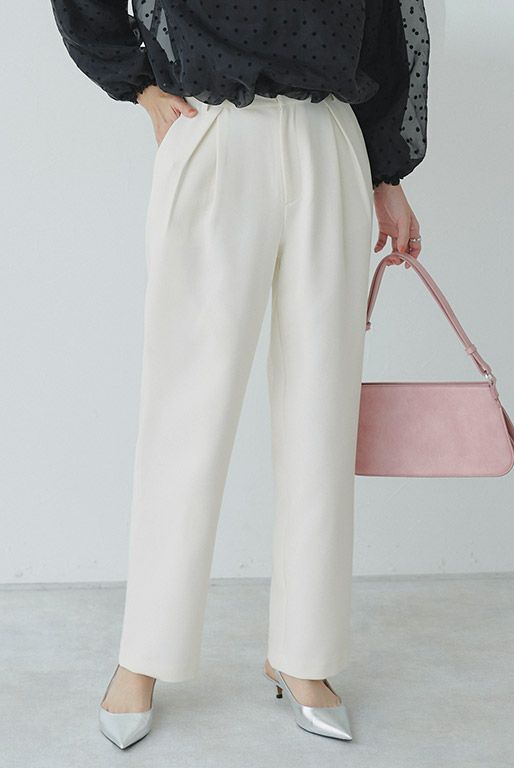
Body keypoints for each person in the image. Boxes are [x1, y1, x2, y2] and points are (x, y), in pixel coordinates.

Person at [49, 0, 430, 749]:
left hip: (330, 138)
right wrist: (137, 84)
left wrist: (388, 173)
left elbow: (389, 23)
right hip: (213, 130)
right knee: (186, 410)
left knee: (322, 414)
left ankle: (304, 655)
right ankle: (143, 655)